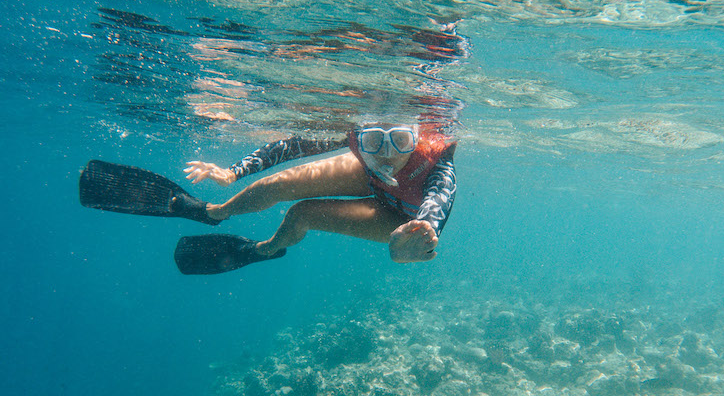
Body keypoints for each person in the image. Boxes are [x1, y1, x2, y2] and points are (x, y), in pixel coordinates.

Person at [79, 124, 457, 274]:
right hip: (374, 182)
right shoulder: (357, 136)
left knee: (301, 214)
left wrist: (420, 232)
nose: (388, 153)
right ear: (360, 136)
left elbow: (440, 194)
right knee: (280, 183)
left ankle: (262, 250)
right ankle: (211, 212)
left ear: (417, 136)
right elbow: (293, 146)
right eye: (374, 141)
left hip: (399, 219)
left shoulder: (434, 160)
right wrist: (235, 171)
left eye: (402, 141)